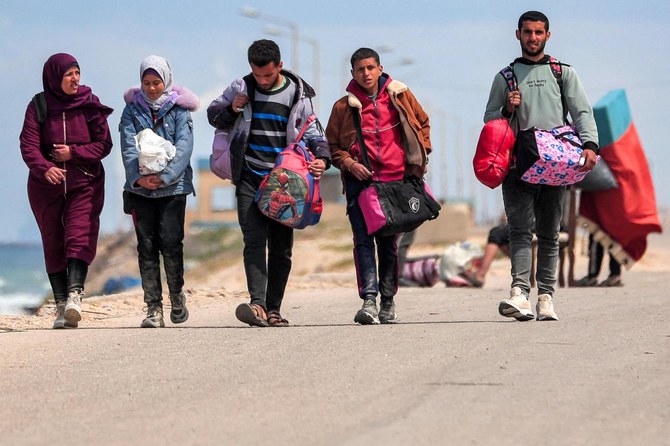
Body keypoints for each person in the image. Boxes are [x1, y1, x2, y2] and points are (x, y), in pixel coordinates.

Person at [484, 11, 599, 321]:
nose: (532, 38)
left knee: (549, 234)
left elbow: (582, 112)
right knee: (520, 231)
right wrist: (506, 108)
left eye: (538, 32)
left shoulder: (562, 72)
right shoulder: (505, 78)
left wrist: (589, 145)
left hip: (555, 165)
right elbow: (489, 121)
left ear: (548, 35)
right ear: (517, 35)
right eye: (527, 32)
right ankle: (519, 293)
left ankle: (546, 297)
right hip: (516, 166)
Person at [207, 40, 330, 327]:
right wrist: (233, 109)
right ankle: (257, 305)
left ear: (280, 66)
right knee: (253, 241)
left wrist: (323, 158)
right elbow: (214, 115)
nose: (262, 81)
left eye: (268, 75)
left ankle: (274, 308)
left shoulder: (297, 93)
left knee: (281, 247)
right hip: (249, 175)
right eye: (257, 75)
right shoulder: (241, 87)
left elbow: (312, 129)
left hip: (283, 181)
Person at [326, 47, 431, 325]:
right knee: (362, 242)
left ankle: (388, 300)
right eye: (360, 69)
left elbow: (422, 124)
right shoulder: (342, 107)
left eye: (370, 68)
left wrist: (418, 160)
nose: (366, 73)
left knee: (389, 245)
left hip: (396, 184)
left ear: (380, 68)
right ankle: (368, 301)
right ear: (353, 73)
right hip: (362, 186)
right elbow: (332, 147)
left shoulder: (400, 95)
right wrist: (349, 164)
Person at [19, 53, 113, 329]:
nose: (75, 79)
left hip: (85, 183)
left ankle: (74, 296)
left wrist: (73, 152)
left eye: (77, 73)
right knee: (53, 240)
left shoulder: (89, 105)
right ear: (54, 77)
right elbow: (28, 145)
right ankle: (61, 306)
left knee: (79, 233)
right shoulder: (38, 105)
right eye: (68, 74)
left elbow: (103, 144)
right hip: (45, 187)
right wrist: (44, 168)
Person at [120, 55, 198, 328]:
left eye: (157, 82)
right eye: (147, 82)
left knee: (171, 245)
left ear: (166, 81)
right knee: (147, 248)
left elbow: (184, 147)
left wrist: (165, 177)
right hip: (140, 191)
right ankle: (153, 307)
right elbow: (128, 147)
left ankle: (176, 296)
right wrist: (137, 179)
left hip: (173, 190)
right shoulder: (131, 110)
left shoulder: (179, 110)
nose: (152, 88)